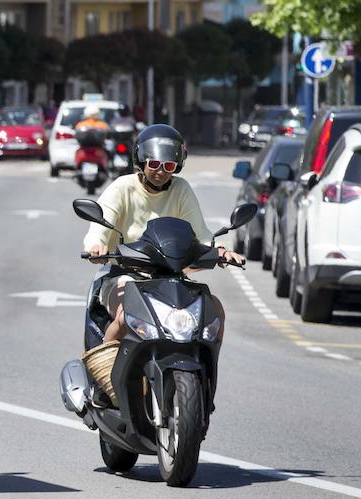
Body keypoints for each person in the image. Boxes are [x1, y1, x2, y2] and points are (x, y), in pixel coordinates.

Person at [81, 124, 243, 347]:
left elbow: (201, 234)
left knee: (214, 311)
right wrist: (96, 246)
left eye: (168, 165)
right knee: (124, 316)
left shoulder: (181, 189)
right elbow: (98, 230)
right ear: (141, 161)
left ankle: (205, 373)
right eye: (154, 164)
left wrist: (221, 252)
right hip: (125, 275)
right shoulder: (122, 188)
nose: (160, 171)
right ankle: (103, 375)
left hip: (171, 279)